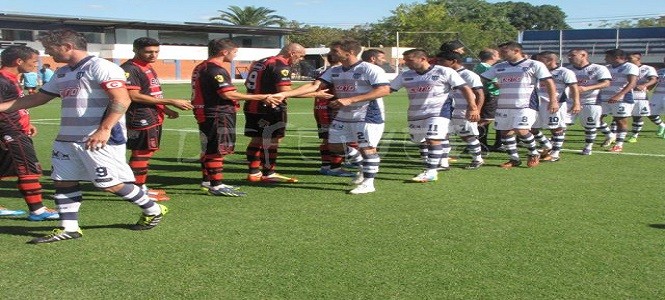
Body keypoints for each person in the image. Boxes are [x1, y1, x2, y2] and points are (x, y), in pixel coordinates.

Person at [0, 29, 168, 244]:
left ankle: (153, 208)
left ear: (67, 47)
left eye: (51, 49)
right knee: (63, 181)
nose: (49, 54)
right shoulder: (63, 72)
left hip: (98, 137)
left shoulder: (101, 67)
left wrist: (104, 129)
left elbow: (122, 100)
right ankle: (69, 228)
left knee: (108, 184)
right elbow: (39, 98)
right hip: (67, 138)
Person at [271, 39, 390, 194]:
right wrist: (284, 94)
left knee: (367, 148)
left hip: (367, 115)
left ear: (350, 52)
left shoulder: (369, 69)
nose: (331, 54)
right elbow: (314, 86)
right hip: (344, 115)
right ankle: (359, 161)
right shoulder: (335, 70)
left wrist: (349, 100)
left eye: (335, 51)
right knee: (334, 146)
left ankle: (368, 183)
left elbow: (384, 90)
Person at [193, 39, 279, 196]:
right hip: (218, 113)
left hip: (205, 112)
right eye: (234, 52)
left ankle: (207, 181)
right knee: (217, 149)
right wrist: (262, 97)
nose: (235, 55)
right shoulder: (216, 70)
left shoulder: (201, 66)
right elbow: (227, 94)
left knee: (209, 147)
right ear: (224, 52)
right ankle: (216, 185)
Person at [121, 37, 193, 202]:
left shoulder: (147, 67)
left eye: (156, 51)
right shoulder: (130, 69)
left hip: (152, 115)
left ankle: (141, 187)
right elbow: (134, 96)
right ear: (136, 50)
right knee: (141, 153)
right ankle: (137, 191)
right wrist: (171, 101)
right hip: (139, 116)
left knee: (146, 152)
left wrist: (166, 110)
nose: (153, 55)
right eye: (148, 52)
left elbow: (152, 93)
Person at [0, 45, 59, 221]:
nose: (36, 65)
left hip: (13, 129)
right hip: (11, 132)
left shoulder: (11, 78)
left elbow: (12, 106)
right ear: (19, 61)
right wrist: (9, 132)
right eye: (33, 61)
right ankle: (38, 210)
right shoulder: (2, 80)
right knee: (28, 170)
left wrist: (28, 121)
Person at [480, 41, 557, 169]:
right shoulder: (499, 66)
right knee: (505, 133)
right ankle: (514, 159)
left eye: (505, 51)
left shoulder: (534, 64)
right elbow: (482, 79)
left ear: (516, 51)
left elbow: (549, 82)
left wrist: (553, 100)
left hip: (525, 104)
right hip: (504, 105)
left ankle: (533, 153)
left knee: (521, 130)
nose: (501, 54)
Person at [243, 43, 306, 183]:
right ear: (292, 53)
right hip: (271, 107)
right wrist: (314, 93)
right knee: (273, 140)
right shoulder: (280, 65)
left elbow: (247, 83)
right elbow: (285, 91)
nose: (300, 59)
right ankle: (268, 172)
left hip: (253, 104)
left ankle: (254, 172)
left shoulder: (260, 62)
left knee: (257, 139)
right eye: (300, 56)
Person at [437, 51, 484, 170]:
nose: (439, 63)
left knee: (467, 136)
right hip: (446, 110)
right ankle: (443, 163)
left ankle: (477, 159)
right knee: (443, 135)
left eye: (442, 61)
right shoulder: (443, 73)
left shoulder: (469, 75)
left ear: (453, 61)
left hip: (464, 110)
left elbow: (480, 94)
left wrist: (476, 110)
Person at [531, 51, 580, 162]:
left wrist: (576, 102)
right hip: (537, 103)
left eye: (540, 60)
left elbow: (574, 87)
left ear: (550, 60)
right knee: (531, 128)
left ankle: (555, 153)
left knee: (556, 128)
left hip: (555, 104)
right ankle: (548, 145)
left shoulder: (564, 72)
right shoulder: (537, 71)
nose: (537, 62)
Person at [314, 53, 355, 177]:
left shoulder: (326, 71)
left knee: (327, 138)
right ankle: (335, 168)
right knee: (338, 138)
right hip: (332, 108)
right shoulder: (336, 72)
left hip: (320, 108)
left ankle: (326, 166)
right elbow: (338, 91)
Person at [566, 48, 612, 155]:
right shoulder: (568, 70)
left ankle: (588, 147)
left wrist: (586, 88)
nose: (569, 58)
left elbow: (606, 83)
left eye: (572, 55)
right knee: (563, 123)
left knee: (590, 125)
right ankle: (554, 147)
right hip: (570, 101)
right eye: (568, 56)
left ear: (583, 55)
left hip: (591, 101)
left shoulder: (598, 68)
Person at [597, 49, 638, 152]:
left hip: (622, 99)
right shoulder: (607, 68)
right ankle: (610, 135)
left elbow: (632, 83)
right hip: (604, 98)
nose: (605, 59)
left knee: (620, 121)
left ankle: (619, 145)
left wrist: (618, 96)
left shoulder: (630, 67)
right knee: (595, 118)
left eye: (607, 57)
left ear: (617, 57)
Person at [472, 48, 502, 152]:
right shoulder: (486, 67)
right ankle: (477, 142)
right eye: (497, 53)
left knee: (486, 119)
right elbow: (496, 84)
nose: (499, 55)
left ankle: (482, 143)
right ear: (492, 56)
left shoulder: (480, 66)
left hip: (487, 95)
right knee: (487, 120)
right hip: (491, 95)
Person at [625, 52, 659, 142]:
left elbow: (654, 79)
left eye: (630, 58)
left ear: (638, 59)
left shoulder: (647, 68)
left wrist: (644, 85)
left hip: (640, 96)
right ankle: (615, 135)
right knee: (619, 116)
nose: (628, 60)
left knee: (637, 116)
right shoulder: (625, 67)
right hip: (626, 95)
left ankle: (634, 136)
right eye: (627, 58)